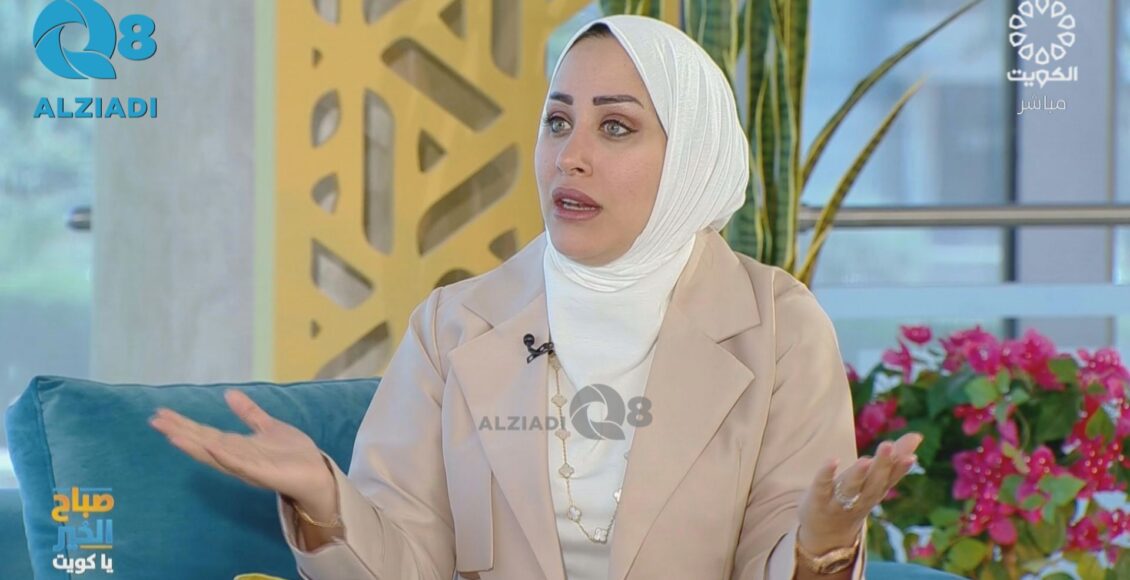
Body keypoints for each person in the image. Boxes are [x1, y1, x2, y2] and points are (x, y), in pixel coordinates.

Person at [148, 15, 921, 580]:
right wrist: (325, 498)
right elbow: (405, 562)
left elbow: (777, 559)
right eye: (557, 122)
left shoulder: (778, 327)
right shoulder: (454, 325)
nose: (570, 156)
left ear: (692, 157)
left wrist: (821, 543)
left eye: (615, 128)